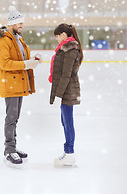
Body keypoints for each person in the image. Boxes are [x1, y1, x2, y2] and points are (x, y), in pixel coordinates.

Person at [0, 6, 41, 166]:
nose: (22, 26)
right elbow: (4, 63)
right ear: (11, 23)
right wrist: (27, 64)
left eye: (22, 23)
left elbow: (21, 58)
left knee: (15, 117)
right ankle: (9, 150)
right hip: (10, 83)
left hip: (18, 82)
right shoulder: (4, 40)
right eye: (19, 23)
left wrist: (32, 60)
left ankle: (12, 146)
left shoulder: (17, 38)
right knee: (11, 118)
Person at [49, 23, 83, 167]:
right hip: (65, 90)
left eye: (57, 36)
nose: (56, 39)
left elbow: (66, 74)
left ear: (63, 34)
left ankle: (70, 153)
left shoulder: (70, 49)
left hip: (67, 91)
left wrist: (58, 94)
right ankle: (68, 152)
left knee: (68, 122)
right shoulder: (65, 48)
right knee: (65, 122)